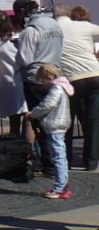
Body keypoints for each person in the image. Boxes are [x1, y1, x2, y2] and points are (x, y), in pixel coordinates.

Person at [17, 0, 64, 175]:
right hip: (54, 75)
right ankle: (55, 159)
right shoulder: (55, 25)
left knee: (37, 122)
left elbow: (25, 59)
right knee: (53, 120)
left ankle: (46, 162)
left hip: (35, 78)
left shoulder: (31, 30)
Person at [58, 6, 99, 172]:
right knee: (93, 121)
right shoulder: (84, 26)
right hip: (94, 74)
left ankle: (65, 159)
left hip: (72, 79)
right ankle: (91, 161)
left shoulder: (57, 28)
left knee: (67, 120)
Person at [28, 63, 74, 199]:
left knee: (58, 156)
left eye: (42, 79)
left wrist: (33, 113)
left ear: (48, 76)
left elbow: (47, 105)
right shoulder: (62, 87)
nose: (42, 83)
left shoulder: (56, 88)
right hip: (60, 123)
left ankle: (59, 187)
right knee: (60, 156)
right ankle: (64, 184)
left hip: (55, 125)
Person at [0, 11, 30, 145]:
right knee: (26, 116)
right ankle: (25, 148)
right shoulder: (14, 41)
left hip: (2, 84)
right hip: (17, 80)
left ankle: (16, 146)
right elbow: (22, 60)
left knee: (14, 120)